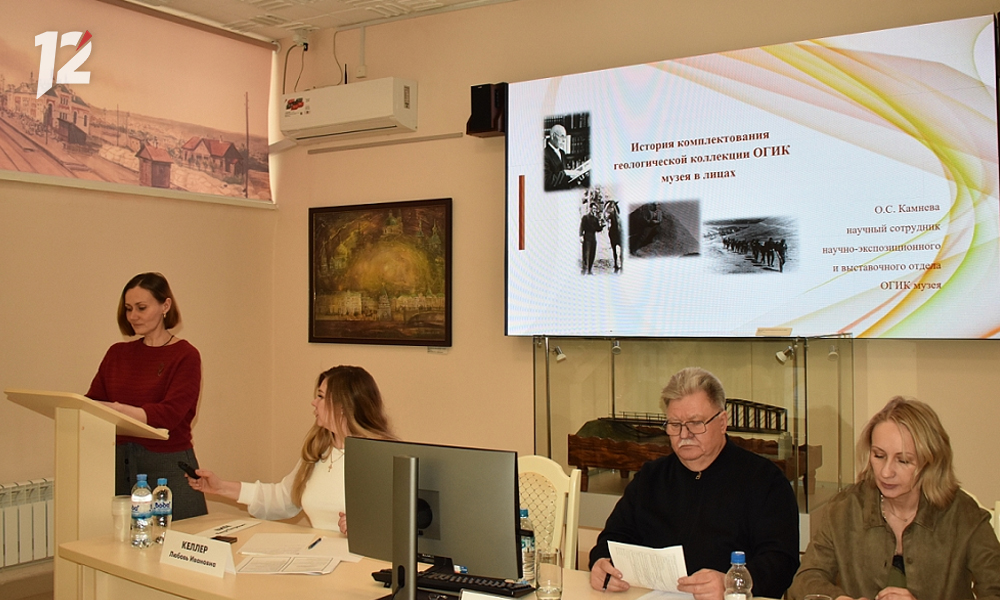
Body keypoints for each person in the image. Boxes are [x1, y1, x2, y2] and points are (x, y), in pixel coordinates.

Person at [589, 367, 799, 600]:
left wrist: (731, 584)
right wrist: (600, 563)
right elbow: (614, 537)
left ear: (722, 422)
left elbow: (782, 561)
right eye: (675, 424)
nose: (684, 434)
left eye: (696, 423)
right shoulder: (651, 477)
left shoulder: (765, 480)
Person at [788, 397, 1000, 600]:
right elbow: (806, 578)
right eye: (879, 456)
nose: (886, 472)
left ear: (931, 462)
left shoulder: (963, 515)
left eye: (904, 461)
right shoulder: (845, 508)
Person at [187, 366, 395, 533]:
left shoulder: (383, 457)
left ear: (342, 406)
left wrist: (371, 526)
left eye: (321, 396)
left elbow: (403, 522)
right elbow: (284, 499)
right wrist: (220, 487)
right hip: (320, 558)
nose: (313, 403)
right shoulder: (319, 451)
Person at [86, 272, 207, 520]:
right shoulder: (117, 353)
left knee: (180, 538)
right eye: (128, 309)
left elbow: (169, 415)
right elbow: (93, 403)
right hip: (119, 464)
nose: (133, 316)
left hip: (167, 465)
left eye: (141, 308)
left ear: (165, 306)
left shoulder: (185, 355)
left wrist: (120, 410)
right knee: (123, 540)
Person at [544, 124, 572, 191]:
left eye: (565, 137)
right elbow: (546, 181)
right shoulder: (544, 154)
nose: (564, 140)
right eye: (562, 136)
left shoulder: (562, 153)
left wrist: (575, 177)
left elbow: (565, 179)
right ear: (553, 136)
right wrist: (565, 173)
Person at [580, 201, 604, 274]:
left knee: (592, 254)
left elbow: (598, 229)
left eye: (595, 209)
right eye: (593, 208)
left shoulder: (595, 219)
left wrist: (602, 226)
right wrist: (581, 236)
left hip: (593, 238)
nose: (594, 210)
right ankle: (584, 270)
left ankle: (590, 270)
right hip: (587, 237)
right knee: (586, 254)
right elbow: (581, 227)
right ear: (590, 208)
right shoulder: (585, 217)